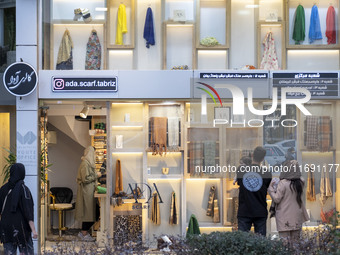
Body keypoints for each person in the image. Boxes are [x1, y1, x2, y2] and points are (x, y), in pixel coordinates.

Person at [0, 163, 38, 255]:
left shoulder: (3, 189)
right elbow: (28, 212)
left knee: (9, 252)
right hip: (21, 229)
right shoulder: (24, 189)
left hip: (6, 229)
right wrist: (33, 230)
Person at [268, 160, 309, 243]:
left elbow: (277, 199)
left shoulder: (283, 183)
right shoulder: (301, 182)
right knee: (296, 243)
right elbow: (300, 177)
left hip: (284, 216)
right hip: (297, 215)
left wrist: (271, 189)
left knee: (285, 244)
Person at [236, 146, 272, 236]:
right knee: (261, 243)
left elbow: (239, 183)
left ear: (252, 155)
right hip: (260, 210)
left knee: (242, 242)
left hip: (244, 210)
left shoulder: (241, 170)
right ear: (263, 158)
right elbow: (267, 187)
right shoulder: (267, 173)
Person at [75, 146, 101, 241]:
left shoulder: (88, 164)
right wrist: (96, 175)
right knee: (89, 213)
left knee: (93, 212)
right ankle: (83, 233)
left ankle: (84, 232)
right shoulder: (85, 164)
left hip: (89, 192)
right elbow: (85, 179)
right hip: (86, 192)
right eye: (94, 153)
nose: (95, 155)